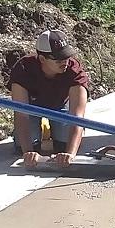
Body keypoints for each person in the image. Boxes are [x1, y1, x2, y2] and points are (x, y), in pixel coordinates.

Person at [9, 30, 89, 169]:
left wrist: (70, 154)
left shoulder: (74, 71)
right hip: (31, 108)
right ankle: (40, 138)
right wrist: (28, 153)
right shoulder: (23, 69)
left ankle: (54, 137)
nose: (64, 62)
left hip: (60, 106)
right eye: (58, 59)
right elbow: (21, 115)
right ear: (42, 59)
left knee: (65, 145)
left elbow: (78, 118)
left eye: (67, 57)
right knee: (22, 147)